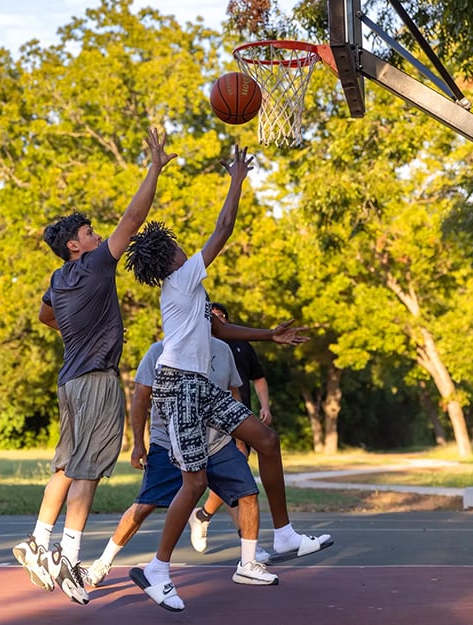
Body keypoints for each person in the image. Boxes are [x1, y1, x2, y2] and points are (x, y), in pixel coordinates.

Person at [123, 145, 332, 612]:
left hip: (202, 387)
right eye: (177, 245)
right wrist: (237, 178)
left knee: (267, 439)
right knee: (194, 485)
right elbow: (223, 230)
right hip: (179, 388)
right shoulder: (179, 279)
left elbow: (218, 329)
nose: (184, 247)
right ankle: (157, 571)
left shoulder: (191, 289)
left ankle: (283, 537)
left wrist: (269, 336)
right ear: (169, 257)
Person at [11, 128, 176, 606]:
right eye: (88, 233)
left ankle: (39, 542)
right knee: (88, 471)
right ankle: (67, 556)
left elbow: (46, 316)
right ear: (75, 247)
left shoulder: (58, 279)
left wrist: (73, 327)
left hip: (69, 381)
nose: (97, 235)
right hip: (97, 381)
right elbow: (133, 217)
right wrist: (154, 168)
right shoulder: (96, 266)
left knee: (65, 464)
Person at [81, 336, 271, 590]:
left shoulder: (222, 350)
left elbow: (234, 394)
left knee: (248, 494)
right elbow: (141, 398)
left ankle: (248, 565)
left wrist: (240, 437)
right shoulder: (158, 351)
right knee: (144, 506)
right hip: (168, 443)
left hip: (217, 443)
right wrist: (139, 443)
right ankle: (103, 562)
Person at [188, 301, 271, 553]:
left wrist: (265, 406)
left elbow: (255, 379)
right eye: (212, 315)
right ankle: (245, 542)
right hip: (207, 424)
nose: (217, 318)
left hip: (237, 419)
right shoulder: (191, 347)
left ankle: (204, 516)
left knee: (238, 480)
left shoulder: (238, 347)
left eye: (221, 315)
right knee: (231, 480)